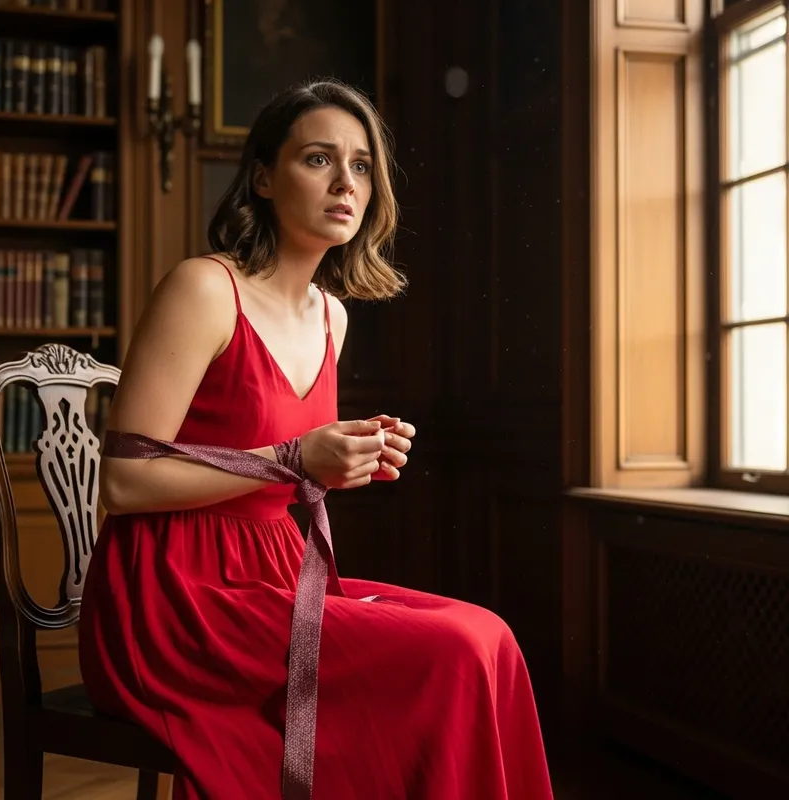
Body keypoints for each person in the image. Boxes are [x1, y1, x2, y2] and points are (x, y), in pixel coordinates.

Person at [78, 78, 554, 800]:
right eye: (318, 160)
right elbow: (122, 480)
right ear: (264, 177)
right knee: (452, 651)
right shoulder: (205, 289)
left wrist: (347, 456)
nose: (345, 183)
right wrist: (298, 460)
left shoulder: (334, 316)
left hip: (272, 572)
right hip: (176, 593)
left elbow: (288, 468)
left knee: (489, 636)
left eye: (362, 166)